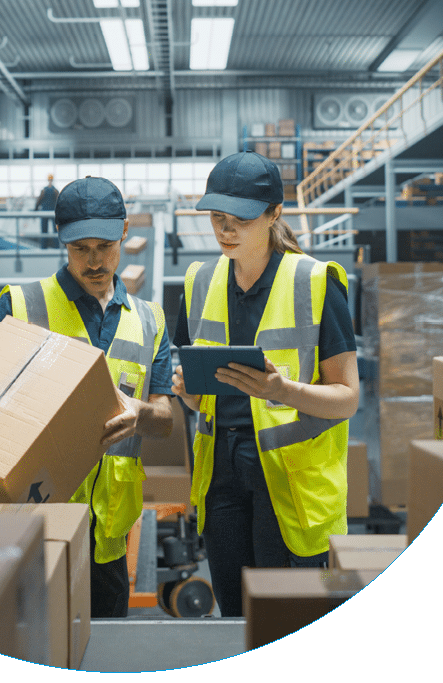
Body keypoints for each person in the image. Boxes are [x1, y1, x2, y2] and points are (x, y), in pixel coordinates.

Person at [0, 176, 174, 619]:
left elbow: (163, 420)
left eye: (104, 246)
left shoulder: (150, 321)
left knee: (100, 650)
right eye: (79, 248)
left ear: (124, 231)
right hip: (32, 517)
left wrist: (142, 413)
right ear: (61, 241)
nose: (93, 261)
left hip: (107, 532)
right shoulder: (20, 305)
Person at [170, 150, 359, 617]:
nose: (226, 231)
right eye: (217, 218)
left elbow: (348, 398)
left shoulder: (316, 283)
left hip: (288, 479)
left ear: (275, 213)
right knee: (235, 615)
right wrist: (189, 394)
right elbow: (199, 396)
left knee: (283, 618)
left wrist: (283, 392)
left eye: (241, 219)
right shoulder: (198, 280)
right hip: (220, 473)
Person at [34, 174, 59, 248]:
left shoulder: (44, 190)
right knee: (55, 231)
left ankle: (43, 247)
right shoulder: (55, 191)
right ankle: (56, 247)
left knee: (44, 231)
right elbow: (59, 201)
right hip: (53, 213)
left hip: (44, 213)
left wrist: (35, 210)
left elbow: (38, 201)